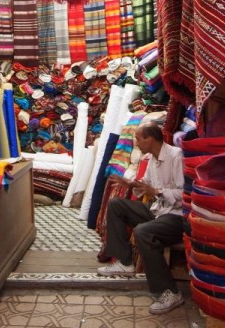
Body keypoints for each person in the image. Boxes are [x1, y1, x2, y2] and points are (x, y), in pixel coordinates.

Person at [97, 121, 185, 315]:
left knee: (142, 231)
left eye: (138, 138)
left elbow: (184, 194)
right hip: (157, 210)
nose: (136, 143)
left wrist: (157, 191)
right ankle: (125, 262)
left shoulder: (175, 155)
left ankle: (170, 292)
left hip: (175, 215)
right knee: (116, 205)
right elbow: (146, 185)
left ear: (149, 139)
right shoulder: (151, 158)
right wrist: (129, 184)